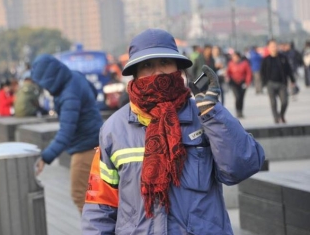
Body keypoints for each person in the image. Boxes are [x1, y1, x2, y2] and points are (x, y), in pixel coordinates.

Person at [81, 28, 265, 234]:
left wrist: (214, 114)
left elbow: (242, 166)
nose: (157, 72)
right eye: (147, 65)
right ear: (135, 73)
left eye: (164, 63)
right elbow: (100, 206)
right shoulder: (114, 129)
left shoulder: (204, 115)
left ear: (178, 68)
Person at [32, 54, 103, 214]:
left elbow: (66, 132)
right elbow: (93, 93)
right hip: (98, 142)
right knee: (97, 197)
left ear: (48, 79)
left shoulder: (68, 96)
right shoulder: (75, 76)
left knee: (81, 196)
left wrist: (45, 157)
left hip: (85, 148)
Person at [261, 39, 296, 124]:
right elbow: (262, 72)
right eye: (272, 46)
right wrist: (264, 84)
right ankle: (276, 118)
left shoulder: (283, 58)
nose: (274, 48)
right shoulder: (266, 60)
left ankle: (281, 115)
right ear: (268, 48)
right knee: (273, 103)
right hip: (270, 83)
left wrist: (292, 80)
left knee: (284, 101)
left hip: (282, 83)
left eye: (275, 46)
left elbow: (289, 70)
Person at [226, 51, 252, 118]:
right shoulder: (230, 64)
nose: (235, 59)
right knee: (237, 97)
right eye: (233, 57)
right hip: (234, 83)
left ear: (239, 57)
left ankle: (241, 111)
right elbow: (228, 72)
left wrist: (247, 82)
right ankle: (237, 111)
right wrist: (228, 78)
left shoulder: (245, 63)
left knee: (241, 97)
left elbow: (248, 73)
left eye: (236, 57)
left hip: (242, 82)